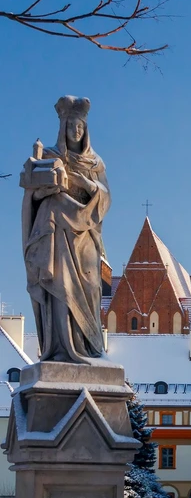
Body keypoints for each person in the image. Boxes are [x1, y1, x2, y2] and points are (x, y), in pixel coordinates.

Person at [20, 96, 110, 364]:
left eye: (80, 126)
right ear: (63, 128)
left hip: (86, 238)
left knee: (91, 288)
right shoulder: (50, 157)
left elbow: (106, 199)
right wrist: (45, 191)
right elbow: (32, 197)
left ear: (86, 130)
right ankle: (62, 348)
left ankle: (90, 347)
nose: (76, 131)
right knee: (59, 288)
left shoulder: (95, 163)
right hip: (57, 235)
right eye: (71, 126)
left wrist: (87, 184)